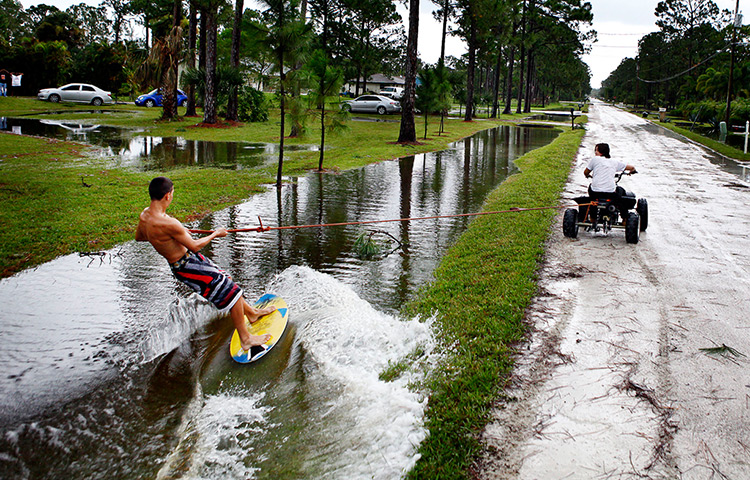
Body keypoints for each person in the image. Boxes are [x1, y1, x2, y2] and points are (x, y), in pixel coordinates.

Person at [136, 176, 274, 352]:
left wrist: (169, 237)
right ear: (167, 196)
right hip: (188, 266)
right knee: (231, 292)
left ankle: (251, 313)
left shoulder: (145, 216)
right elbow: (194, 246)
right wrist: (215, 234)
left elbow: (139, 236)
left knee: (226, 280)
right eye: (173, 192)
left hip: (185, 264)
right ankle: (246, 339)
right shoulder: (169, 223)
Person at [583, 143, 637, 221]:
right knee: (621, 194)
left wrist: (587, 175)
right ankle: (624, 218)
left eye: (596, 150)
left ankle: (593, 217)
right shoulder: (614, 162)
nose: (595, 152)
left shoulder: (595, 159)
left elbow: (586, 172)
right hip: (610, 193)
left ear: (601, 152)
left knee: (592, 197)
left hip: (595, 192)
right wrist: (632, 171)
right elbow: (631, 167)